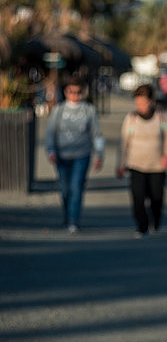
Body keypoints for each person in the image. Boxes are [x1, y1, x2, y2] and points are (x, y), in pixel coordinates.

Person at [45, 74, 105, 233]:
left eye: (78, 92)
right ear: (66, 92)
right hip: (62, 155)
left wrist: (99, 154)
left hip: (82, 155)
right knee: (65, 189)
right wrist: (50, 150)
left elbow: (96, 134)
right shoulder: (58, 110)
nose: (75, 95)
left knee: (76, 187)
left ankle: (74, 220)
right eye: (72, 92)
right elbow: (50, 132)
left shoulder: (89, 110)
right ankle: (67, 214)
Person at [117, 84, 167, 238]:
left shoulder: (161, 117)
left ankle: (155, 220)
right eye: (138, 103)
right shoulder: (131, 119)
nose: (140, 106)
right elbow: (124, 142)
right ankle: (141, 226)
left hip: (157, 165)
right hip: (136, 164)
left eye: (143, 103)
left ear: (152, 101)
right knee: (138, 196)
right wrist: (121, 163)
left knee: (156, 197)